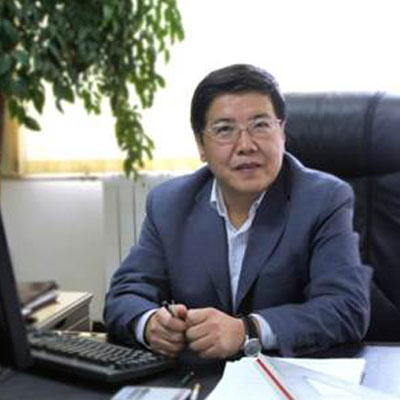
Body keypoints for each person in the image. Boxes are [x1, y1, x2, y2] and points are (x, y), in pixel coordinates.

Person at [104, 64, 371, 360]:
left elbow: (346, 308)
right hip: (200, 377)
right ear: (201, 145)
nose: (246, 145)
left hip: (288, 374)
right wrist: (150, 324)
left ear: (282, 132)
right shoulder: (170, 203)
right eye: (224, 130)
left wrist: (248, 330)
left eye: (260, 125)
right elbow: (126, 293)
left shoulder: (324, 199)